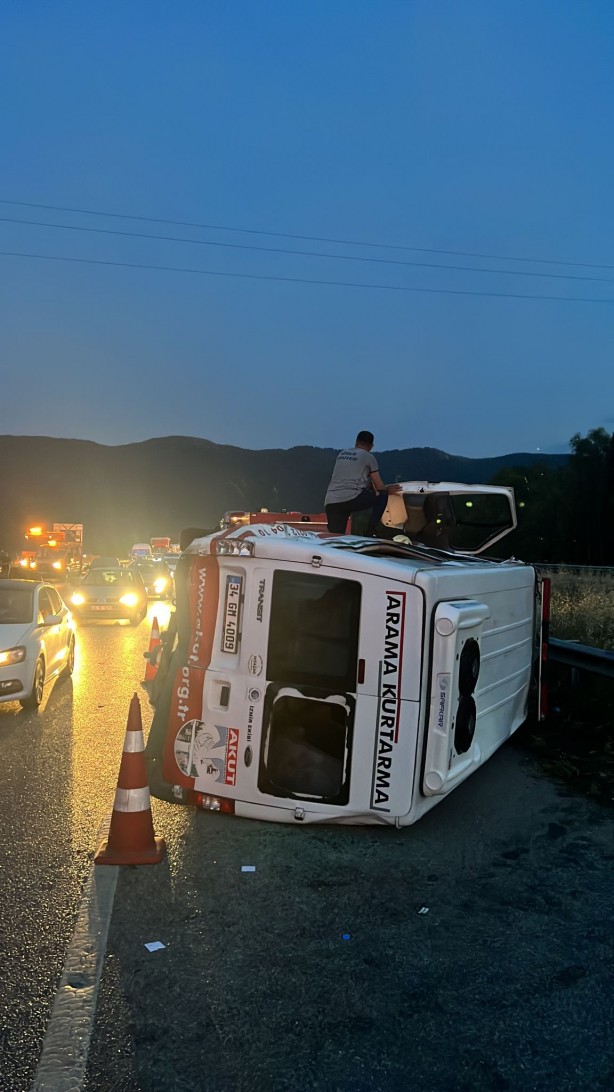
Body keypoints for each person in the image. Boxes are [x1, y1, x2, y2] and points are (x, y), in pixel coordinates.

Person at [324, 431, 402, 535]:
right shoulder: (368, 457)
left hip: (331, 501)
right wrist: (388, 490)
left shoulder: (342, 453)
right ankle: (370, 532)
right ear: (371, 446)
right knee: (383, 495)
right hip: (351, 498)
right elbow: (379, 487)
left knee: (336, 536)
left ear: (356, 442)